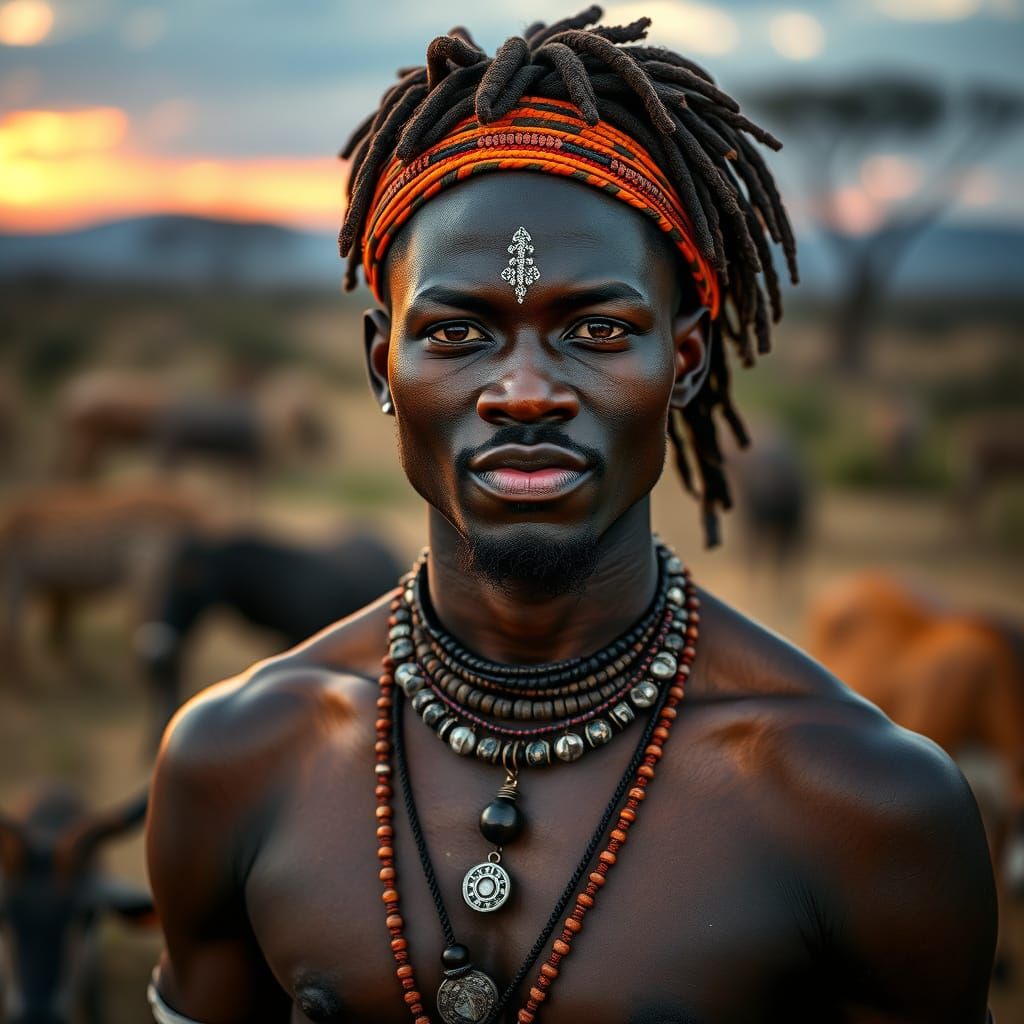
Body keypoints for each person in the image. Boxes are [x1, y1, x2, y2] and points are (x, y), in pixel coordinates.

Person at [145, 9, 997, 1023]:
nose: (524, 392)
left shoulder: (864, 804)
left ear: (683, 361)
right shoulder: (237, 758)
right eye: (457, 332)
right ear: (381, 366)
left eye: (596, 329)